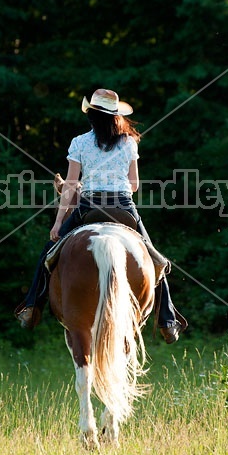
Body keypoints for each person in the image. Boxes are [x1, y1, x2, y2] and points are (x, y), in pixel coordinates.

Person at [15, 89, 187, 343]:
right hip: (123, 208)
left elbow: (71, 184)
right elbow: (135, 185)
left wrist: (59, 222)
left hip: (89, 207)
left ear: (92, 116)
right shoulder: (129, 142)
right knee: (155, 260)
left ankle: (31, 308)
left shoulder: (80, 142)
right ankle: (167, 320)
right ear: (116, 116)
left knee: (48, 254)